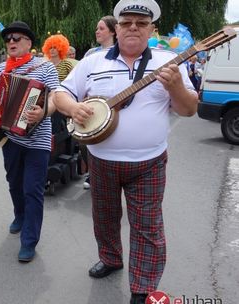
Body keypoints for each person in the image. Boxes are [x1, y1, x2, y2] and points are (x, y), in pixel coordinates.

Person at [51, 0, 198, 303]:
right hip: (101, 160)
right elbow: (61, 92)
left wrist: (175, 88)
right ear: (116, 28)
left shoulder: (170, 61)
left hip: (149, 162)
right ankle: (110, 258)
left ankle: (142, 288)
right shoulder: (93, 61)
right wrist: (74, 107)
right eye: (126, 22)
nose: (133, 27)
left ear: (151, 29)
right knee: (104, 217)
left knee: (147, 226)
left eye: (141, 23)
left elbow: (188, 110)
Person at [0, 21, 60, 262]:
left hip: (38, 139)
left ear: (28, 42)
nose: (11, 42)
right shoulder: (1, 69)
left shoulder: (45, 68)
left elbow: (57, 97)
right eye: (8, 39)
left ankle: (29, 240)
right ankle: (20, 214)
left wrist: (44, 111)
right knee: (14, 183)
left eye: (16, 38)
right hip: (10, 136)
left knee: (32, 189)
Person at [82, 15, 118, 190]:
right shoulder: (91, 54)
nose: (97, 31)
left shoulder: (121, 52)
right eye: (97, 28)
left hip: (111, 106)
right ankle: (91, 171)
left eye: (101, 28)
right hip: (91, 105)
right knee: (86, 141)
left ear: (113, 31)